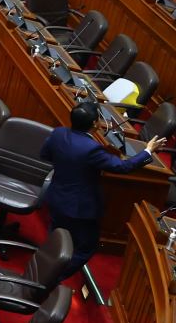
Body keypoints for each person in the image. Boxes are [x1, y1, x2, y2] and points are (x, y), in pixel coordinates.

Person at [40, 102, 165, 284]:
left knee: (55, 235)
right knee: (86, 247)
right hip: (78, 209)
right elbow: (123, 167)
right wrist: (148, 150)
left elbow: (45, 155)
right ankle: (52, 277)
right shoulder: (91, 149)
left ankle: (43, 264)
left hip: (56, 197)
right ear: (95, 123)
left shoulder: (58, 133)